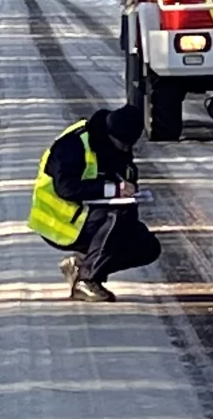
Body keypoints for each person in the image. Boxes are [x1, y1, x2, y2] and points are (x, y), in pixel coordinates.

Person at [27, 104, 162, 302]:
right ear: (111, 135)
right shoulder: (73, 144)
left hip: (88, 215)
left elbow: (124, 174)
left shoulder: (113, 146)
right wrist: (114, 190)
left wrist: (129, 190)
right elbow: (66, 188)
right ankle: (87, 280)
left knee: (146, 246)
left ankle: (82, 268)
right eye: (122, 145)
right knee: (117, 215)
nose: (125, 150)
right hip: (60, 221)